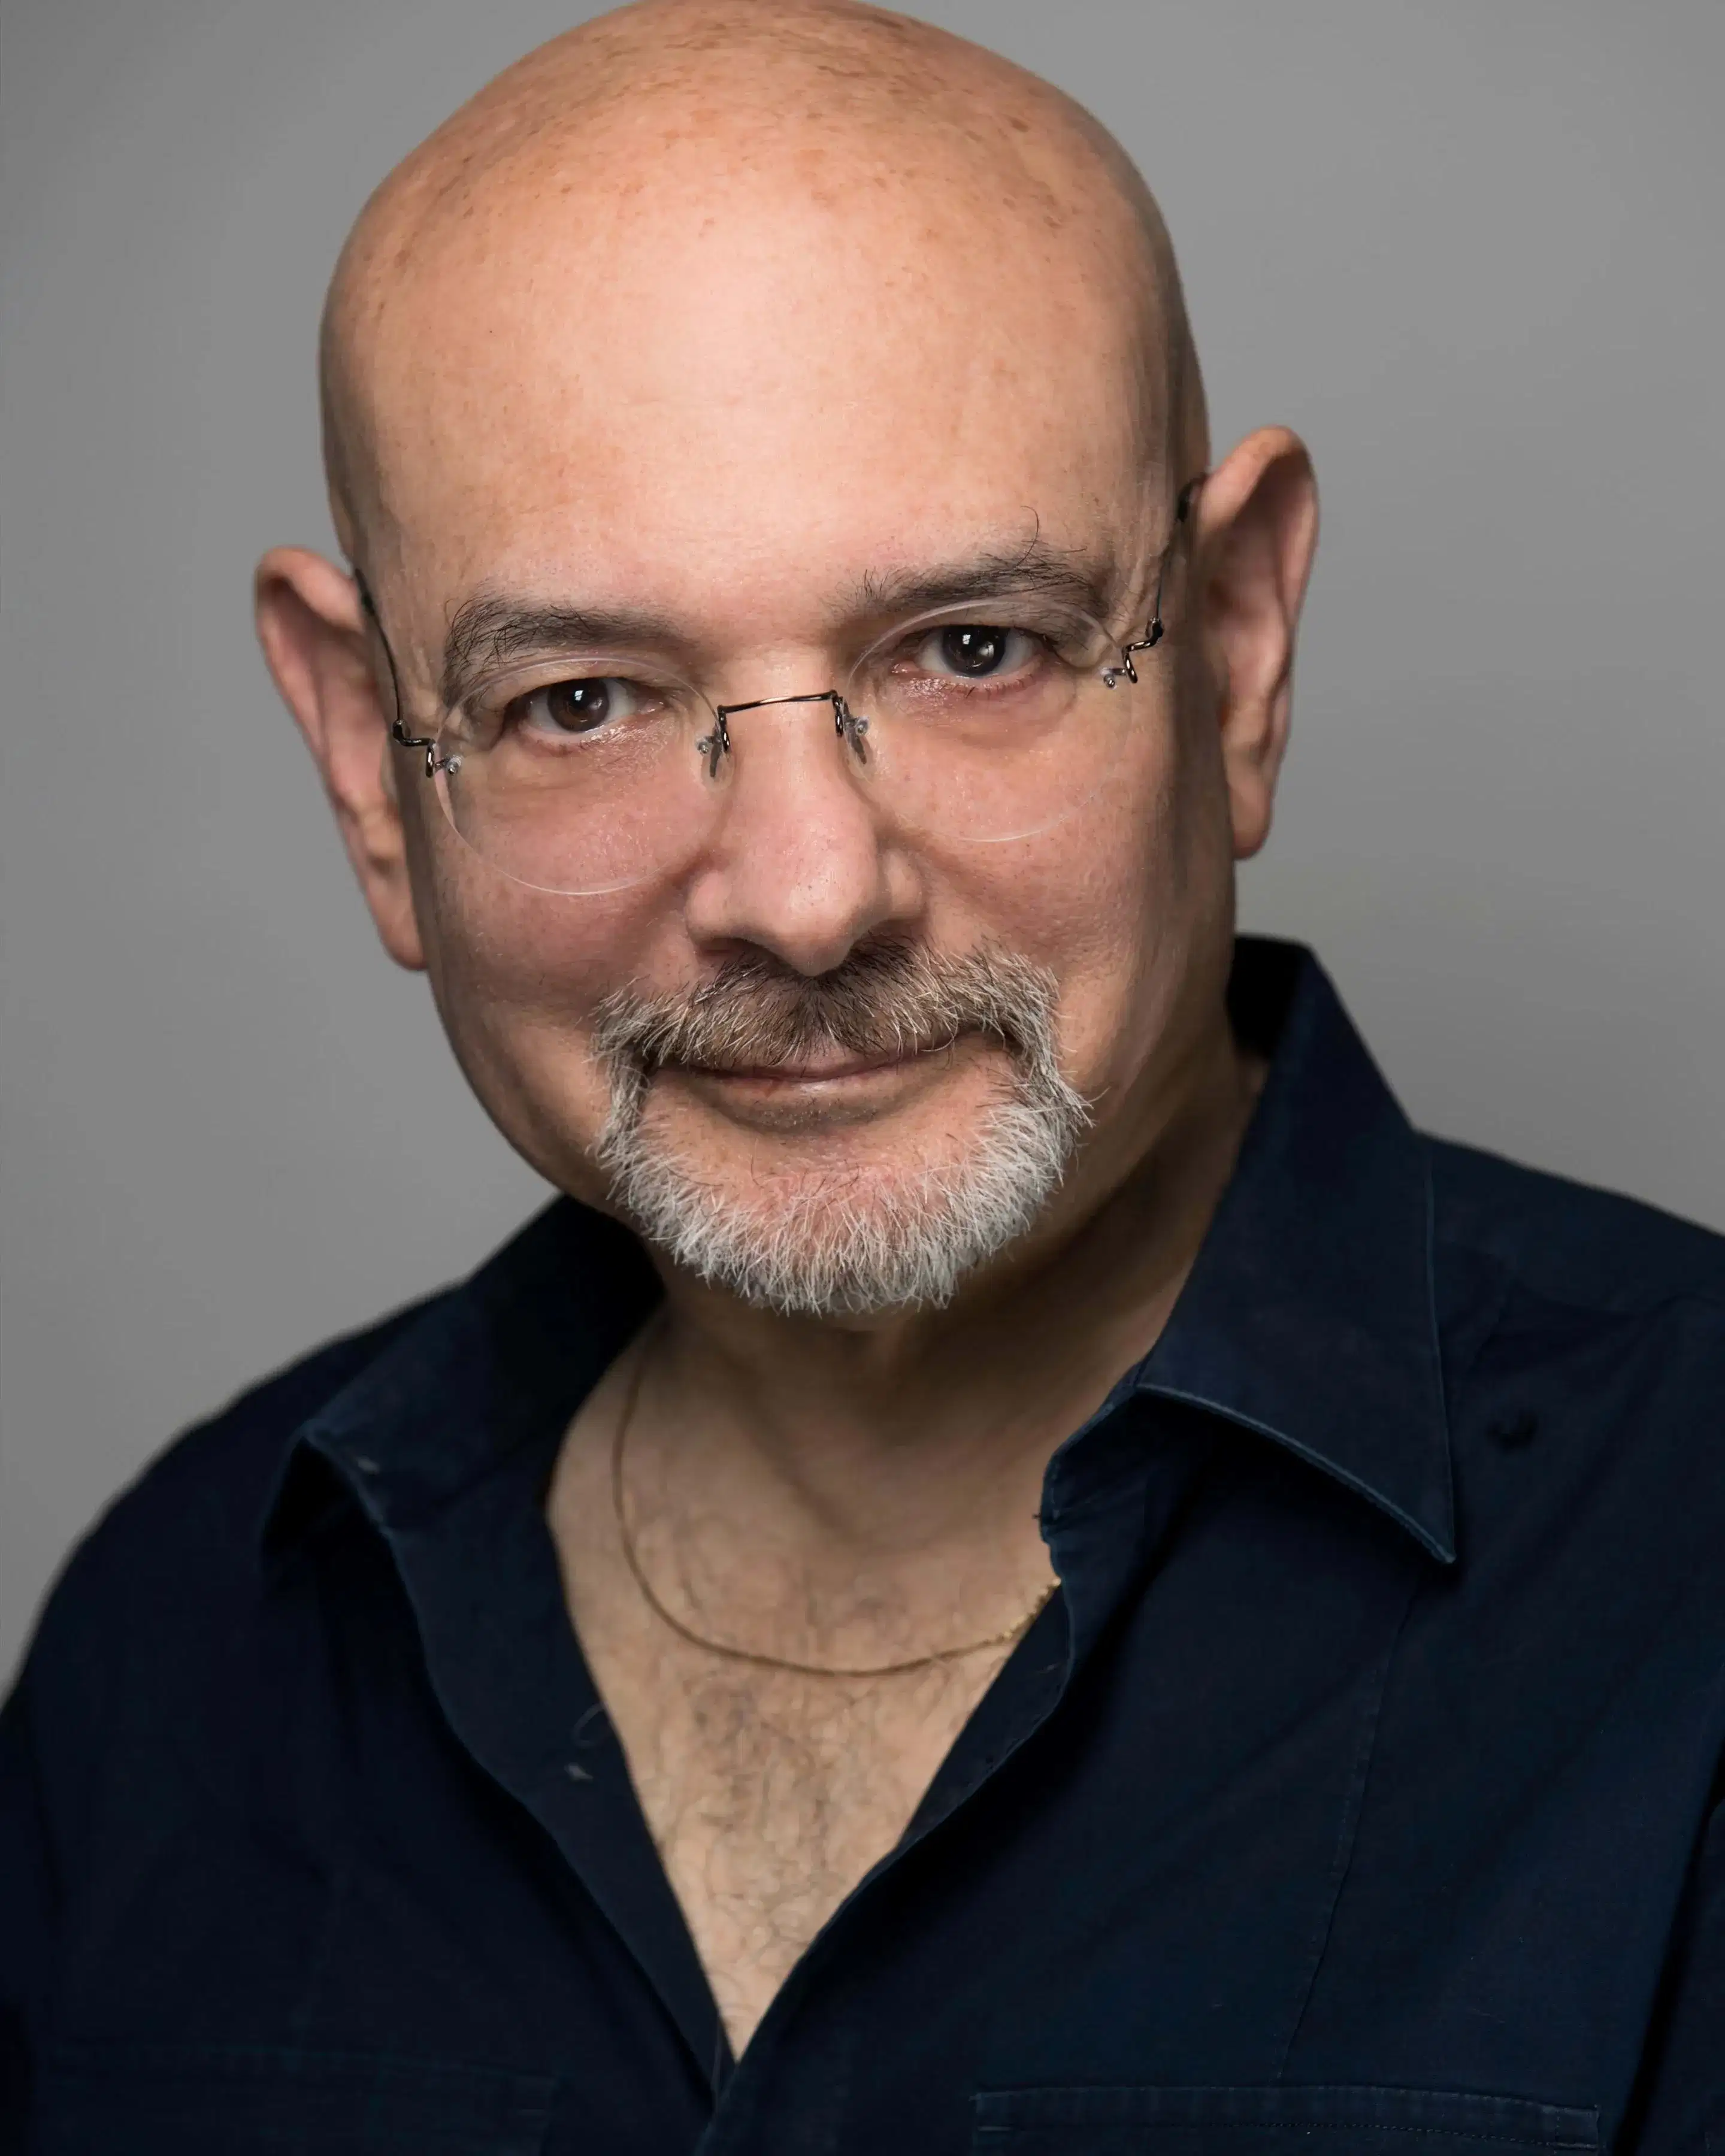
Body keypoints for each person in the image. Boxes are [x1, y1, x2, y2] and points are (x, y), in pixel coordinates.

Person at [2, 0, 1720, 2146]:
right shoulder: (173, 1647)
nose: (808, 901)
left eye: (975, 651)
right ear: (371, 767)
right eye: (583, 699)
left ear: (1238, 653)